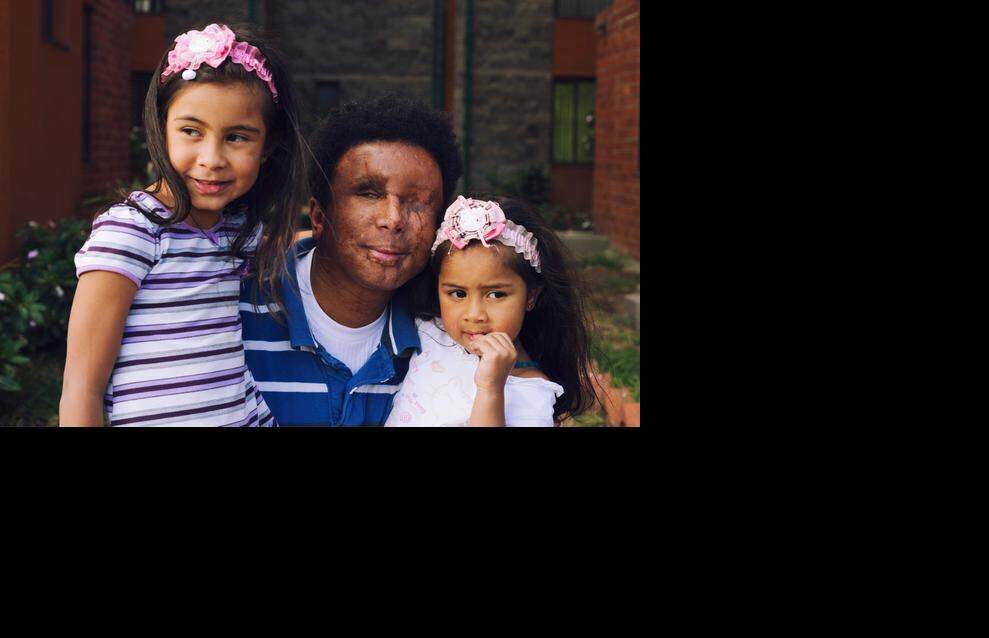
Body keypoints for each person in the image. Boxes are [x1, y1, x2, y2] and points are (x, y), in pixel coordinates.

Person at [59, 23, 307, 426]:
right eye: (191, 131)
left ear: (268, 146)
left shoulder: (238, 229)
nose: (211, 158)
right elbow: (82, 385)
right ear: (162, 125)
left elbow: (289, 241)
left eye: (238, 137)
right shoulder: (132, 232)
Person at [240, 95, 462, 425]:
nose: (393, 219)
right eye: (369, 193)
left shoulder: (446, 341)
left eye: (417, 202)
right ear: (318, 215)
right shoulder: (235, 309)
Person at [385, 196, 595, 427]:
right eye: (457, 294)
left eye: (496, 295)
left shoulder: (531, 392)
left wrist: (491, 389)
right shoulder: (430, 332)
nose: (474, 315)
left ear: (531, 296)